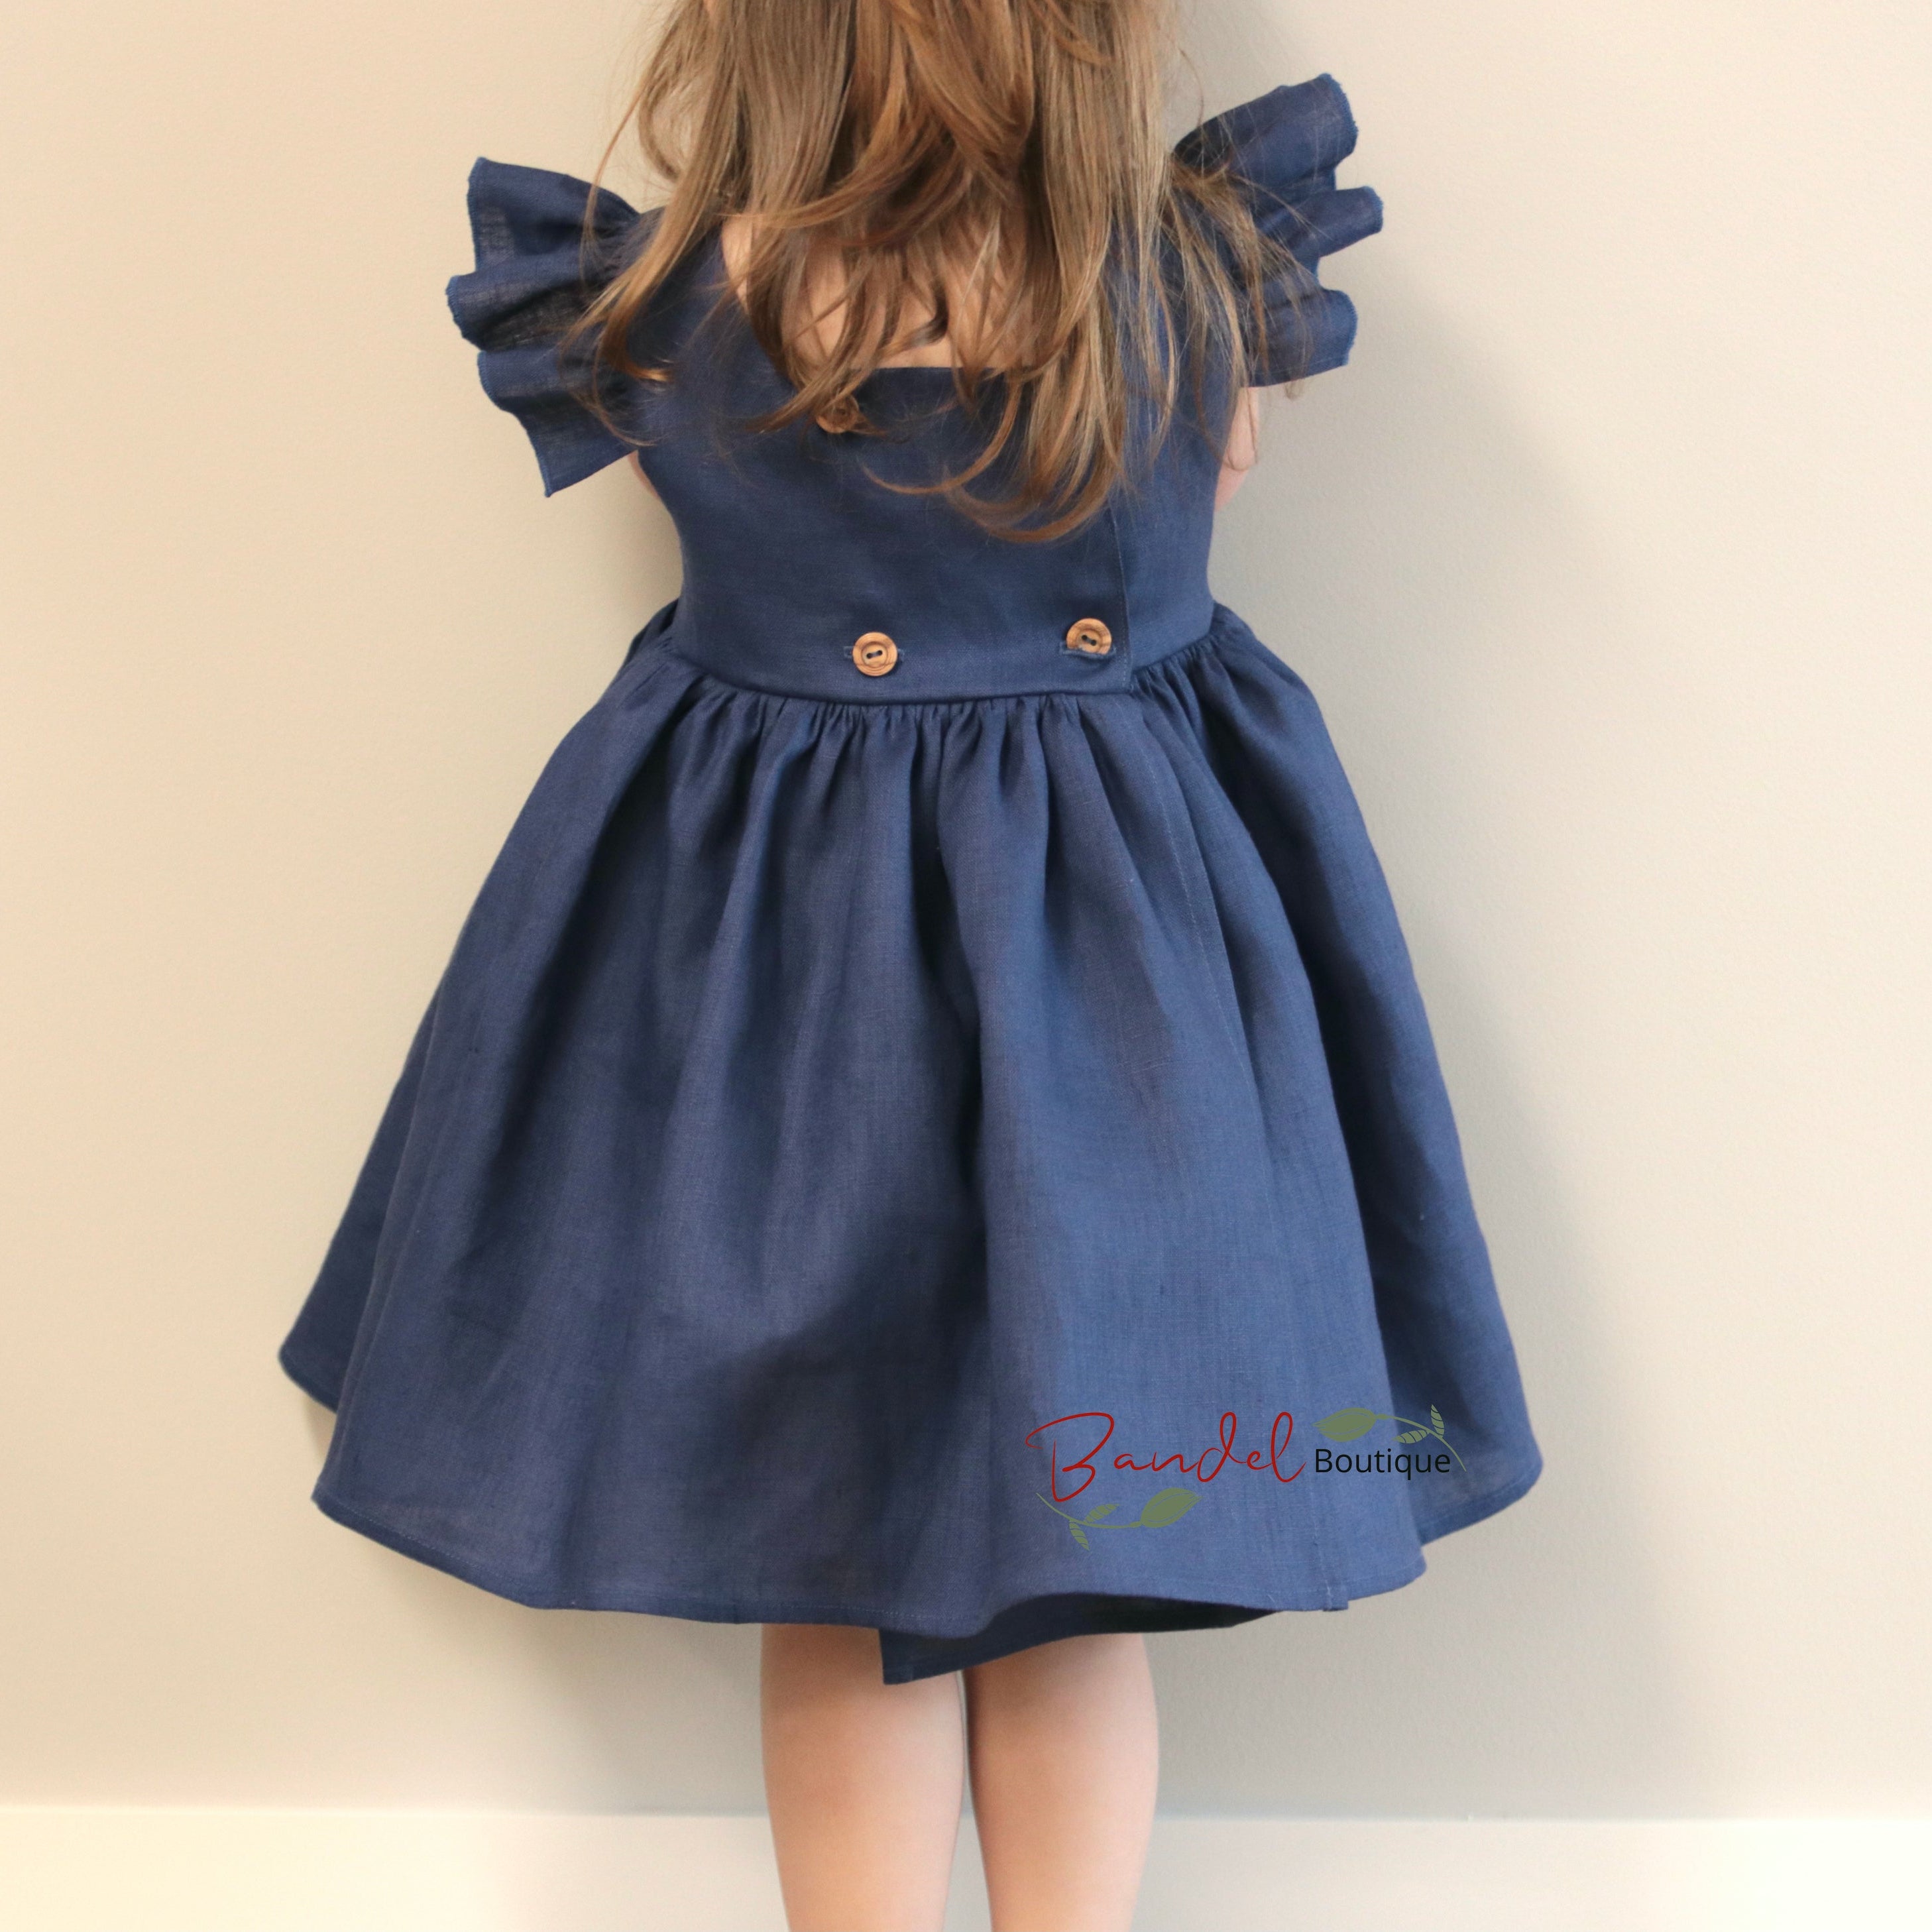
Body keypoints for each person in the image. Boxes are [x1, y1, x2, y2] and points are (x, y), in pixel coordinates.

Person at [278, 2, 1542, 1925]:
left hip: (780, 987)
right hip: (1127, 985)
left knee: (839, 1557)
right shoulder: (1191, 282)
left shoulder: (685, 304)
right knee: (1079, 1558)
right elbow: (1220, 470)